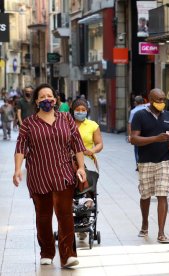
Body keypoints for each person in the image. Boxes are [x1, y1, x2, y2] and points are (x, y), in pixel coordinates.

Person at [13, 83, 86, 268]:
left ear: (55, 99)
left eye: (49, 96)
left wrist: (81, 168)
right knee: (44, 216)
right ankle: (46, 252)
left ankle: (68, 255)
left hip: (63, 173)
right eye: (42, 97)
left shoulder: (66, 119)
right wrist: (17, 170)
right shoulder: (29, 123)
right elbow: (20, 147)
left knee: (65, 214)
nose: (47, 99)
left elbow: (77, 144)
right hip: (39, 175)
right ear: (36, 102)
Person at [130, 88, 169, 243]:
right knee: (145, 195)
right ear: (150, 100)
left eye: (163, 99)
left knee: (162, 194)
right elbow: (133, 139)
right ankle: (145, 223)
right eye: (158, 100)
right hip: (145, 161)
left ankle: (161, 233)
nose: (162, 103)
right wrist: (155, 139)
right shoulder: (140, 115)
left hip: (164, 160)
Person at [71, 98, 103, 240]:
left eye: (83, 110)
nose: (80, 112)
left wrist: (92, 151)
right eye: (78, 110)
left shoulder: (93, 125)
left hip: (88, 160)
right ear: (73, 110)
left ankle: (86, 208)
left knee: (88, 182)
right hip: (69, 160)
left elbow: (99, 144)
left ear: (87, 111)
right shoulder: (67, 124)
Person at [128, 95, 147, 171]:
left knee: (137, 149)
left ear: (135, 102)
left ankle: (139, 165)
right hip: (147, 132)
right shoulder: (147, 108)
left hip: (137, 133)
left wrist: (130, 135)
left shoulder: (133, 111)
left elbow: (130, 124)